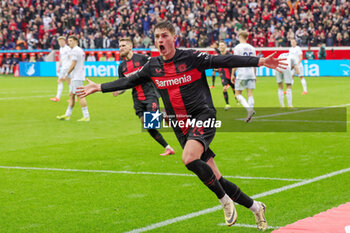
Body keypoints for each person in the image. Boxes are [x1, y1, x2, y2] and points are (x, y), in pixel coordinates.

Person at [77, 21, 286, 230]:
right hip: (181, 125)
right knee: (217, 177)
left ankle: (225, 201)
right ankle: (256, 207)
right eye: (157, 36)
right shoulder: (153, 66)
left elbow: (224, 59)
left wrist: (259, 61)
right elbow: (129, 81)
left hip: (204, 116)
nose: (160, 40)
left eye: (165, 35)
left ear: (173, 37)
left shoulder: (191, 57)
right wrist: (99, 87)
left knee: (188, 158)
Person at [114, 37, 175, 156]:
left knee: (152, 122)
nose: (121, 48)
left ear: (130, 47)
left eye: (123, 46)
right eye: (120, 46)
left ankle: (164, 114)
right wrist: (118, 91)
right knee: (148, 126)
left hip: (150, 94)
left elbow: (156, 66)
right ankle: (168, 148)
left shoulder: (142, 58)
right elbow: (124, 84)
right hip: (137, 98)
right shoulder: (122, 67)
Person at [57, 35, 90, 122]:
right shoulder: (78, 50)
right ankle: (67, 115)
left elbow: (73, 63)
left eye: (71, 41)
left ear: (76, 41)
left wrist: (66, 74)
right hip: (75, 76)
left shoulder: (75, 50)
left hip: (77, 76)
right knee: (71, 95)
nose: (69, 43)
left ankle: (86, 116)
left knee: (80, 96)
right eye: (69, 41)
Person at [232, 31, 257, 123]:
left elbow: (235, 61)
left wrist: (232, 74)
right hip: (250, 72)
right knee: (250, 93)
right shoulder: (252, 48)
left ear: (239, 36)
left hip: (241, 73)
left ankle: (249, 110)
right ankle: (250, 113)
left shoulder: (237, 47)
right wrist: (255, 74)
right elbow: (255, 62)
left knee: (237, 94)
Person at [50, 36, 72, 102]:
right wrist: (59, 66)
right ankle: (73, 97)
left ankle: (57, 97)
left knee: (59, 81)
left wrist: (70, 67)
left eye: (62, 41)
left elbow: (70, 57)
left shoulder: (67, 48)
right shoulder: (61, 49)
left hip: (66, 67)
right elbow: (61, 59)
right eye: (59, 41)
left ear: (64, 41)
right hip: (64, 67)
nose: (60, 42)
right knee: (69, 82)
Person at [217, 41, 235, 110]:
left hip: (230, 75)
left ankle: (236, 98)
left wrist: (233, 74)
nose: (221, 47)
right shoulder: (218, 56)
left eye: (222, 45)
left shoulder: (229, 55)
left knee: (234, 89)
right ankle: (227, 104)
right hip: (223, 75)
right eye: (220, 45)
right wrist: (218, 71)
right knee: (224, 88)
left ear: (225, 46)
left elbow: (234, 65)